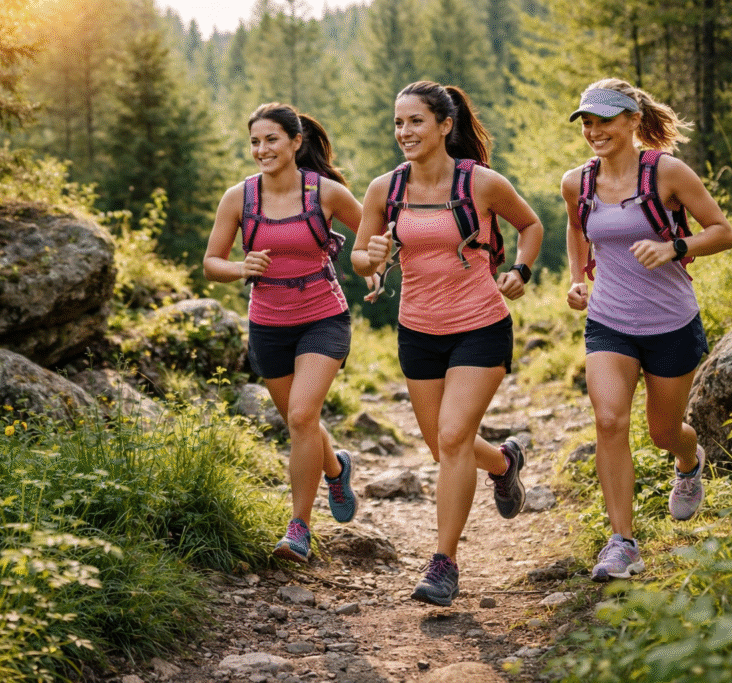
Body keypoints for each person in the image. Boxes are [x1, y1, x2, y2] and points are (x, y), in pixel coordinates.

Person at [351, 81, 544, 606]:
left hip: (480, 324)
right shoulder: (384, 189)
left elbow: (530, 224)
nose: (404, 132)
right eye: (398, 122)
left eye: (415, 121)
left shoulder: (481, 183)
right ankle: (503, 463)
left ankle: (444, 563)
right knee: (442, 445)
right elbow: (360, 258)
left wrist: (521, 269)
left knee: (454, 437)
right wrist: (372, 257)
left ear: (444, 125)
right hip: (418, 331)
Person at [560, 78, 732, 582]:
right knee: (609, 420)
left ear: (633, 120)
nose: (594, 131)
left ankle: (688, 460)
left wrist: (674, 247)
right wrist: (577, 279)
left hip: (670, 323)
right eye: (587, 122)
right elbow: (576, 227)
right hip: (609, 322)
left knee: (663, 432)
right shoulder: (577, 182)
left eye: (605, 121)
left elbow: (723, 233)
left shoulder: (667, 173)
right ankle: (623, 543)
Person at [203, 102, 366, 563]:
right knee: (302, 421)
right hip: (268, 325)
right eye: (255, 141)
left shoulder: (326, 193)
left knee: (300, 415)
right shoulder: (239, 198)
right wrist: (241, 267)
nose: (262, 149)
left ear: (295, 142)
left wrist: (375, 264)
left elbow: (374, 232)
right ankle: (335, 469)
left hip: (322, 317)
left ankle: (299, 528)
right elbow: (211, 263)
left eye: (271, 139)